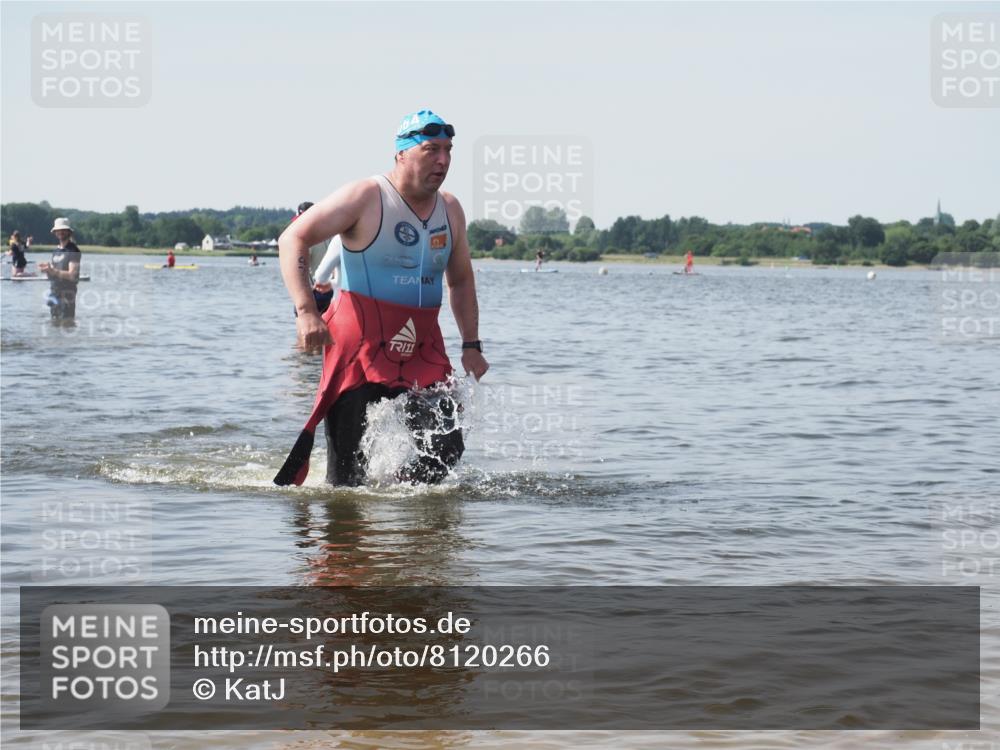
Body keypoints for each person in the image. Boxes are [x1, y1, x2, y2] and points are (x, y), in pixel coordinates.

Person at [274, 109, 488, 487]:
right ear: (402, 154)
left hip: (422, 348)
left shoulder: (451, 209)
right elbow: (293, 238)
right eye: (431, 149)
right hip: (358, 348)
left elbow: (461, 280)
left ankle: (399, 501)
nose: (443, 160)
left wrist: (471, 344)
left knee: (445, 450)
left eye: (448, 150)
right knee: (346, 482)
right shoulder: (367, 196)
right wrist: (306, 312)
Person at [37, 218, 82, 322]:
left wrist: (53, 271)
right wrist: (47, 270)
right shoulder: (56, 251)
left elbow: (72, 275)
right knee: (54, 324)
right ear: (55, 232)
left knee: (66, 323)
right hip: (54, 292)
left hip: (67, 294)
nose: (60, 232)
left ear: (69, 232)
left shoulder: (73, 250)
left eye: (63, 230)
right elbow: (52, 275)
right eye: (58, 230)